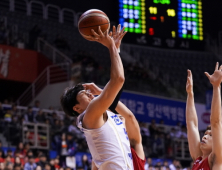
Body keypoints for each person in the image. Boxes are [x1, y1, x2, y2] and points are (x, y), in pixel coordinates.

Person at [60, 25, 131, 170]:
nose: (89, 94)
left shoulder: (102, 115)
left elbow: (117, 97)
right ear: (77, 108)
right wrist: (111, 46)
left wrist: (116, 50)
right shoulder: (90, 114)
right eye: (83, 94)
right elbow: (118, 80)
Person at [186, 62, 222, 170]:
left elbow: (215, 122)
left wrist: (216, 87)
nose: (205, 136)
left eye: (210, 135)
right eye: (205, 134)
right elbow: (191, 124)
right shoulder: (198, 159)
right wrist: (190, 95)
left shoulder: (215, 159)